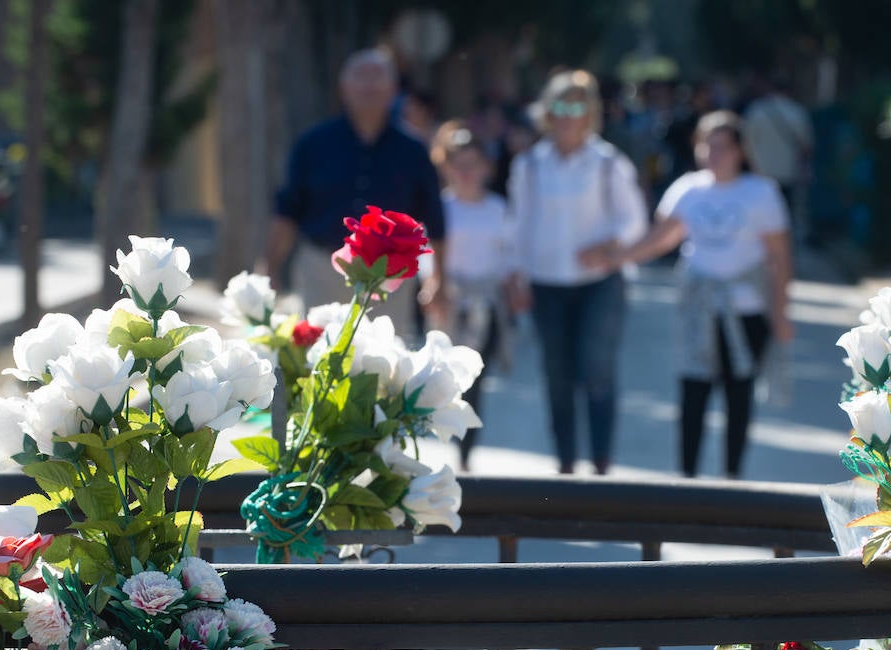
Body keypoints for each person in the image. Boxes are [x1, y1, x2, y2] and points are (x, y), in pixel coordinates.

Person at [619, 111, 792, 479]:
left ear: (740, 150)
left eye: (723, 147)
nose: (714, 155)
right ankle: (687, 478)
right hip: (699, 310)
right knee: (693, 392)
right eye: (707, 146)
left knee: (738, 394)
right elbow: (660, 238)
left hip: (746, 310)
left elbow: (779, 259)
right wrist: (615, 257)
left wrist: (780, 314)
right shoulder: (688, 189)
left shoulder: (761, 193)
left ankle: (731, 477)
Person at [509, 69, 648, 475]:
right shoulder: (530, 165)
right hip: (546, 284)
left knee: (597, 371)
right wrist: (515, 276)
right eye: (560, 107)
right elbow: (517, 226)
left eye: (577, 108)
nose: (568, 117)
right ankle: (566, 467)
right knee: (557, 377)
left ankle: (601, 465)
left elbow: (634, 221)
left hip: (599, 284)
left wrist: (608, 247)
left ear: (589, 114)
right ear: (547, 112)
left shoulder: (608, 163)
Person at [260, 49, 446, 336]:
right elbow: (288, 210)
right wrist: (269, 266)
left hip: (389, 278)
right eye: (361, 76)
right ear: (343, 87)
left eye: (377, 76)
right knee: (319, 352)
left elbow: (435, 218)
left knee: (384, 356)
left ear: (393, 89)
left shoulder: (414, 151)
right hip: (322, 269)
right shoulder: (313, 144)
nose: (369, 85)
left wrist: (438, 279)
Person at [426, 121, 526, 471]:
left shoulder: (498, 209)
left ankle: (465, 452)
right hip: (448, 300)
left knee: (475, 379)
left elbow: (510, 255)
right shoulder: (439, 208)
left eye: (473, 165)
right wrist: (432, 287)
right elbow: (426, 255)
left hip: (486, 304)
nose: (466, 173)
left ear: (486, 168)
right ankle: (439, 443)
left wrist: (515, 288)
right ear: (446, 168)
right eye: (459, 165)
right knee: (442, 377)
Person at [742, 73, 813, 242]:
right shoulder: (797, 112)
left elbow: (745, 143)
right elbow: (806, 146)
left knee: (759, 215)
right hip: (788, 173)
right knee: (784, 216)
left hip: (760, 173)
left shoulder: (756, 110)